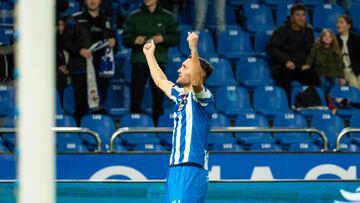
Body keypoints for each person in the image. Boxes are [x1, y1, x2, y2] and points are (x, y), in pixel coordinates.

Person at [143, 32, 214, 202]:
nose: (178, 69)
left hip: (191, 167)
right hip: (175, 169)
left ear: (198, 72)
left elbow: (196, 83)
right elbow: (161, 81)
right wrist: (149, 55)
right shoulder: (181, 94)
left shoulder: (205, 98)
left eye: (184, 67)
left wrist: (193, 48)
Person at [122, 0, 180, 125]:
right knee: (136, 98)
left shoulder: (167, 16)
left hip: (158, 62)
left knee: (159, 99)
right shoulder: (134, 16)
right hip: (139, 61)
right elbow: (125, 38)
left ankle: (157, 128)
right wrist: (134, 40)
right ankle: (134, 125)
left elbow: (176, 37)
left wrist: (163, 38)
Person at [63, 0, 117, 124]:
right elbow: (65, 42)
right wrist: (79, 50)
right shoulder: (74, 19)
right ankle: (79, 135)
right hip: (81, 68)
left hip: (102, 69)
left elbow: (114, 43)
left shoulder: (107, 20)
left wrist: (114, 43)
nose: (92, 1)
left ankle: (97, 133)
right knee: (81, 105)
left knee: (100, 105)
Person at [267, 3, 319, 103]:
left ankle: (312, 104)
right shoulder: (282, 31)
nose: (301, 18)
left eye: (303, 15)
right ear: (291, 18)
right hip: (284, 67)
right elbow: (270, 48)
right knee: (284, 77)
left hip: (301, 67)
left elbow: (310, 51)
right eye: (297, 15)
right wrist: (286, 61)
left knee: (314, 76)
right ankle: (287, 106)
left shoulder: (308, 31)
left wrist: (308, 63)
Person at [336, 15, 360, 89]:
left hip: (357, 69)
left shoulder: (356, 39)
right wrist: (340, 76)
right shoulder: (334, 40)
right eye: (337, 22)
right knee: (355, 87)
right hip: (344, 71)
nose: (338, 24)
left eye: (341, 22)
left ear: (348, 26)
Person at [56, 16, 70, 103]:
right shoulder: (55, 42)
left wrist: (70, 68)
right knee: (58, 76)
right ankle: (59, 106)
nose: (60, 28)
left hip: (73, 70)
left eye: (63, 25)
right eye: (58, 25)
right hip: (60, 73)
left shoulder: (75, 41)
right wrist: (58, 67)